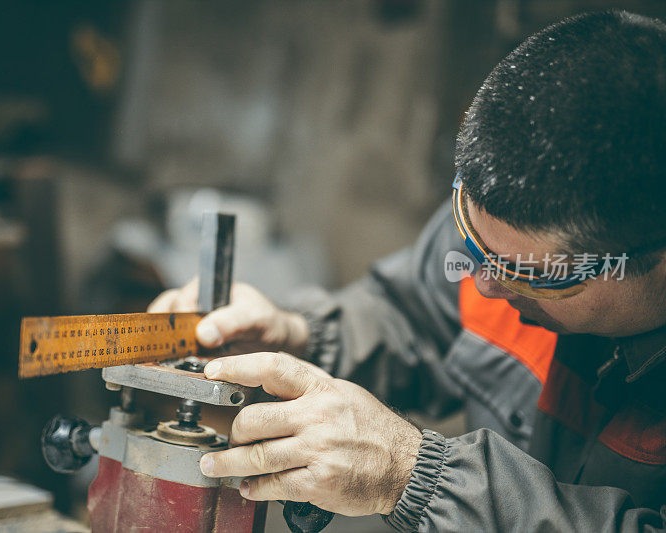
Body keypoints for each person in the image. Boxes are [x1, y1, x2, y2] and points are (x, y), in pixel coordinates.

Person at [148, 11, 666, 531]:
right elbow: (413, 315)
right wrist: (301, 335)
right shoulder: (503, 230)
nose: (482, 281)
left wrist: (411, 475)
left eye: (529, 274)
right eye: (470, 236)